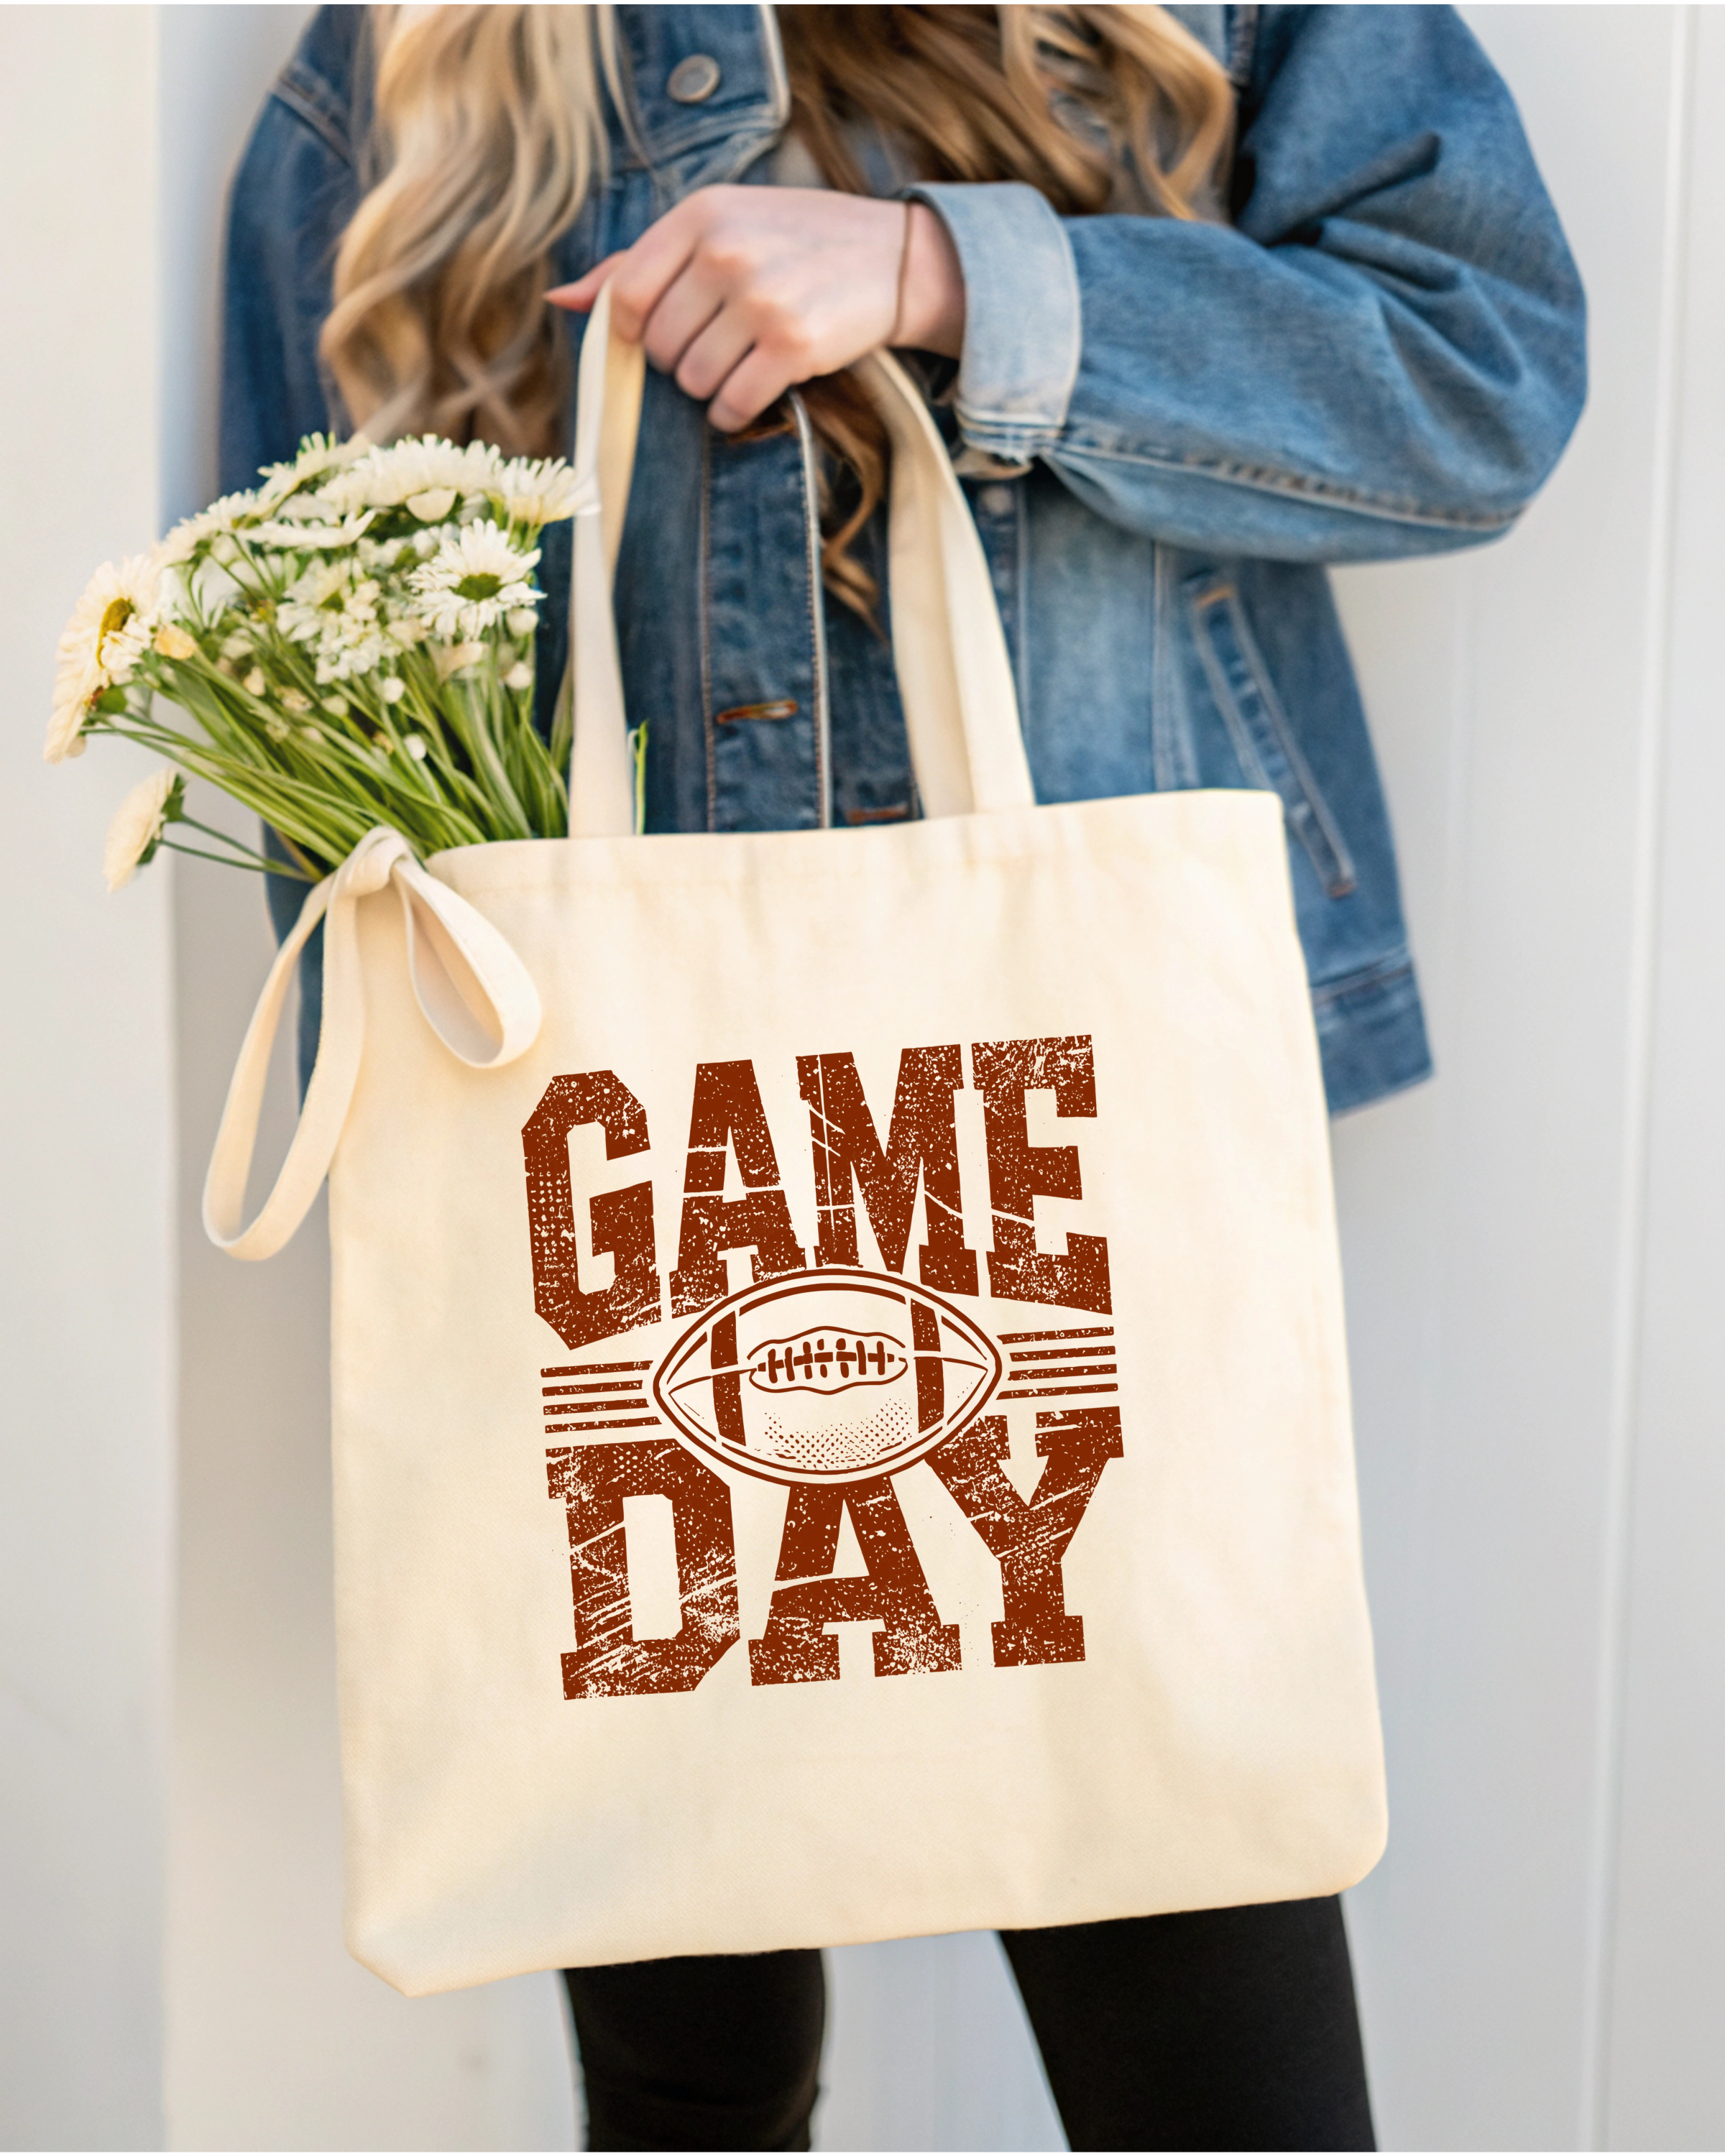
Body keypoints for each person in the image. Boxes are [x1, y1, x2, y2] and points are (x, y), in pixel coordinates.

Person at [222, 6, 1585, 2147]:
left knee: (1216, 2057)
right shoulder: (402, 63)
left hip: (1067, 1184)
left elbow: (1479, 366)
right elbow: (309, 700)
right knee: (693, 2094)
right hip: (632, 1221)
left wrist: (958, 283)